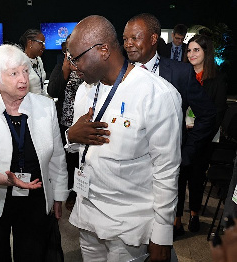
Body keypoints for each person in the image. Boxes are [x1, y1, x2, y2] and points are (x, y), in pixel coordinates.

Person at [67, 15, 183, 262]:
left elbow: (166, 170)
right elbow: (82, 148)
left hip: (128, 227)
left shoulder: (157, 94)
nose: (73, 66)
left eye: (76, 58)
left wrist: (162, 235)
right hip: (87, 217)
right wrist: (71, 137)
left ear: (103, 50)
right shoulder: (84, 91)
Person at [0, 44, 69, 262]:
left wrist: (58, 195)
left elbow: (57, 156)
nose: (23, 79)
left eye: (25, 71)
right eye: (13, 73)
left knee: (32, 256)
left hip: (35, 195)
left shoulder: (45, 106)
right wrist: (6, 179)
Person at [122, 13, 216, 238]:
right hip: (129, 167)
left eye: (134, 38)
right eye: (125, 39)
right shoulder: (120, 72)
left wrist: (187, 151)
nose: (128, 44)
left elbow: (208, 115)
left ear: (154, 38)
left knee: (161, 228)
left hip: (166, 166)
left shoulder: (180, 73)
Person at [177, 34, 228, 232]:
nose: (191, 54)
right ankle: (177, 218)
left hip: (204, 138)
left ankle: (194, 214)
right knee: (180, 177)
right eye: (189, 50)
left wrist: (200, 130)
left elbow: (218, 112)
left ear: (206, 52)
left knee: (196, 177)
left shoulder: (216, 79)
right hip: (182, 134)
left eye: (196, 50)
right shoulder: (181, 75)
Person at [47, 34, 83, 211]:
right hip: (65, 122)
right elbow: (52, 90)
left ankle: (79, 193)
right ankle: (68, 192)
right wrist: (65, 70)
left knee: (81, 160)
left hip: (84, 122)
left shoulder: (88, 64)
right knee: (66, 161)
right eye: (68, 47)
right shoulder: (61, 64)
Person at [19, 28, 46, 94]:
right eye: (41, 43)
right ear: (30, 43)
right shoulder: (20, 62)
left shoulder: (39, 60)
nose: (44, 47)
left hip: (40, 100)